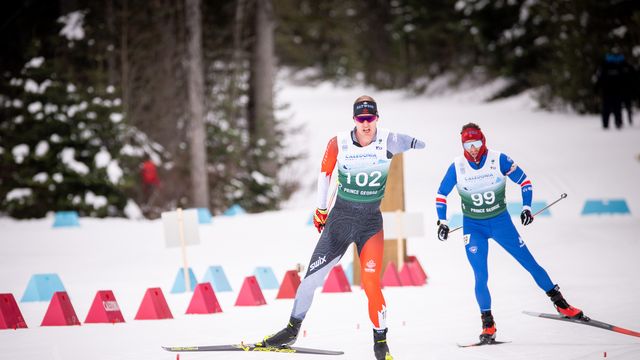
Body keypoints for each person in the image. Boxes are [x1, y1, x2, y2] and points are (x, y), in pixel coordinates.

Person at [260, 95, 425, 360]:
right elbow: (324, 174)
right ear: (354, 120)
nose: (366, 124)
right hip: (339, 222)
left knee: (371, 285)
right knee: (310, 280)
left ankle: (380, 342)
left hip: (370, 225)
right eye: (361, 119)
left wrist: (418, 143)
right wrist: (321, 208)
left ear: (377, 119)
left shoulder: (389, 139)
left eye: (370, 119)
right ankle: (291, 330)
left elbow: (416, 142)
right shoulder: (339, 142)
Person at [434, 123, 584, 344]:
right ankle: (488, 324)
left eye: (476, 143)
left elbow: (525, 181)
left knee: (529, 262)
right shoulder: (457, 166)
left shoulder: (498, 159)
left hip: (501, 223)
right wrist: (443, 222)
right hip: (474, 227)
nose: (473, 149)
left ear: (483, 141)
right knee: (480, 275)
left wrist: (526, 208)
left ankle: (561, 303)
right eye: (468, 144)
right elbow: (441, 193)